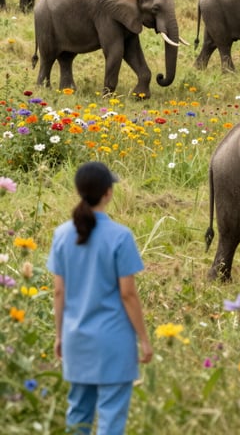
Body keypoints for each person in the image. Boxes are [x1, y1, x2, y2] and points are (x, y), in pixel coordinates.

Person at [47, 161, 153, 434]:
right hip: (113, 342)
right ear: (108, 192)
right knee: (111, 418)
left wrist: (59, 336)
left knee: (78, 415)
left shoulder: (61, 235)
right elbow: (128, 294)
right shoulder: (121, 236)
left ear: (79, 191)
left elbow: (59, 292)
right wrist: (143, 338)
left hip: (76, 339)